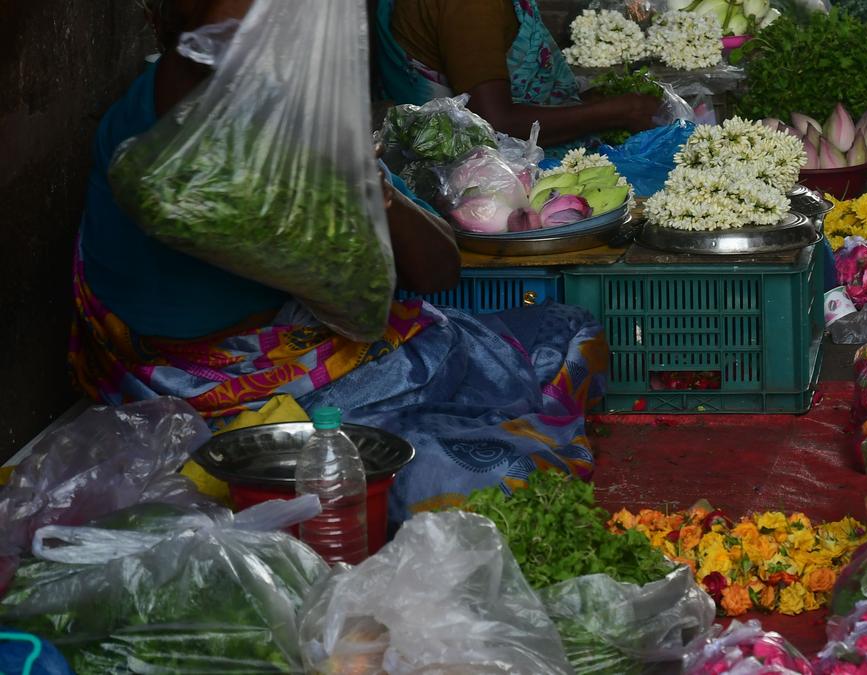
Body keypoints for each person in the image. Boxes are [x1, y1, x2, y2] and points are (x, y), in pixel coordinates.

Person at [71, 0, 607, 522]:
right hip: (189, 395)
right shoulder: (148, 151)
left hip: (310, 357)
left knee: (563, 331)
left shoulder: (300, 125)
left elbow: (436, 271)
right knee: (469, 476)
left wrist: (377, 193)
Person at [375, 0, 663, 148]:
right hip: (480, 180)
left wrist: (589, 105)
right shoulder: (471, 6)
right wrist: (618, 111)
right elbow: (494, 124)